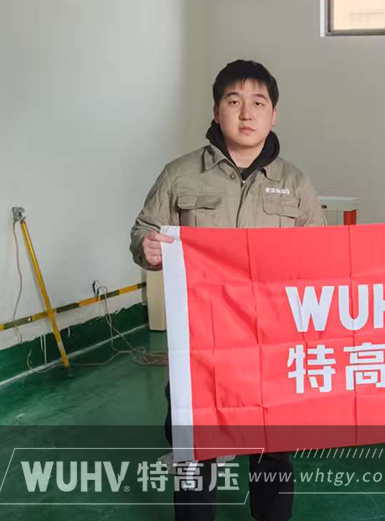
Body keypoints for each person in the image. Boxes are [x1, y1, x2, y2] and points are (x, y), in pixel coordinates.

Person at [130, 59, 324, 521]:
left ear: (273, 115)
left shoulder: (294, 183)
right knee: (194, 445)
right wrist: (148, 247)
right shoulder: (180, 175)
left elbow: (319, 257)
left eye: (258, 103)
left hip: (271, 343)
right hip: (200, 343)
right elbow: (143, 231)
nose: (246, 113)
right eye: (234, 102)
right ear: (217, 111)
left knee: (273, 446)